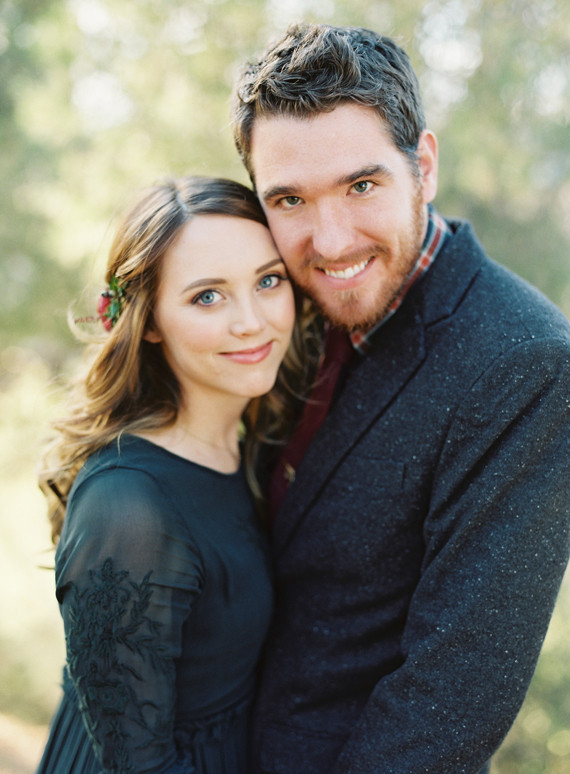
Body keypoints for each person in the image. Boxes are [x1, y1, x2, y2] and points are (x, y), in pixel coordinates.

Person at [231, 22, 570, 774]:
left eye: (361, 185)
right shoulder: (266, 312)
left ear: (424, 165)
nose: (330, 240)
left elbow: (447, 706)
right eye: (288, 199)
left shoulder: (524, 361)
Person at [36, 175, 311, 774]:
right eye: (207, 296)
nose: (251, 321)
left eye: (268, 280)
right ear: (150, 321)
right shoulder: (128, 507)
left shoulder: (247, 449)